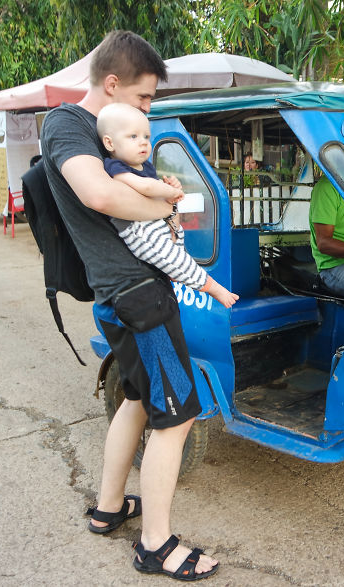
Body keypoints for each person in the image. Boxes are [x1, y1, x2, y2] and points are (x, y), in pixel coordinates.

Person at [40, 30, 224, 581]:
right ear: (113, 83)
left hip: (127, 295)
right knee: (178, 415)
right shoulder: (69, 125)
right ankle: (156, 546)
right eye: (143, 98)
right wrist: (165, 203)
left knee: (140, 399)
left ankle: (109, 507)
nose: (146, 110)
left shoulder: (103, 136)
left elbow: (120, 192)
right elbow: (100, 195)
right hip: (138, 299)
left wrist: (152, 193)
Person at [96, 102, 238, 306]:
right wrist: (169, 191)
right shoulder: (116, 168)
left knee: (178, 240)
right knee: (172, 256)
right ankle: (212, 287)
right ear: (110, 143)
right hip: (138, 230)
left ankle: (174, 272)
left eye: (146, 136)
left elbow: (154, 193)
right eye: (133, 137)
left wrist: (170, 192)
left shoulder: (145, 167)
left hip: (155, 222)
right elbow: (146, 187)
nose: (143, 143)